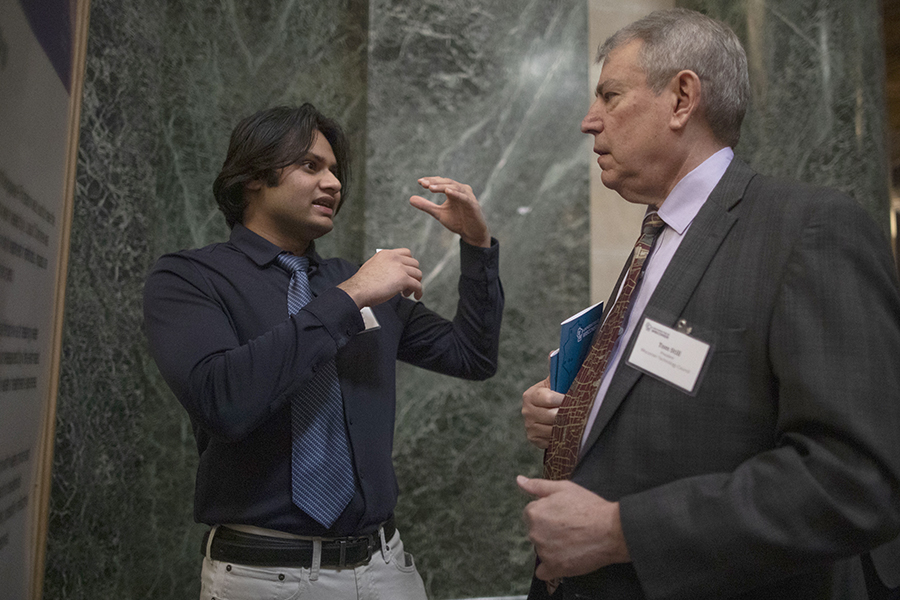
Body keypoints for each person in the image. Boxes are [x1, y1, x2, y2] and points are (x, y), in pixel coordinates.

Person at [518, 8, 900, 600]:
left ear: (681, 98)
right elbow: (684, 400)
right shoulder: (656, 237)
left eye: (610, 96)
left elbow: (853, 480)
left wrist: (623, 532)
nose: (589, 122)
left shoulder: (808, 230)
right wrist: (580, 415)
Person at [143, 103, 504, 600]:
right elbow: (222, 402)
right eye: (311, 166)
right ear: (252, 177)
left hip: (385, 568)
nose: (333, 183)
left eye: (335, 171)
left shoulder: (352, 280)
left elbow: (472, 357)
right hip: (263, 576)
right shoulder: (191, 278)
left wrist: (477, 246)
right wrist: (349, 298)